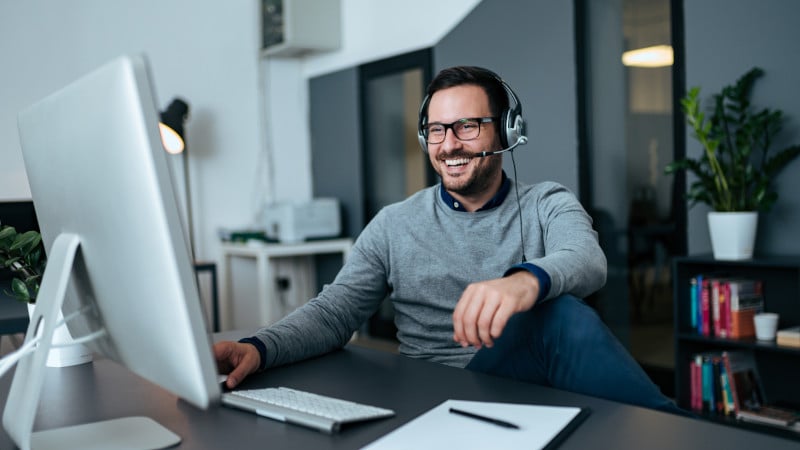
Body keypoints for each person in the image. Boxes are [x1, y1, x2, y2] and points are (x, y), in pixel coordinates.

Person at [214, 66, 682, 414]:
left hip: (528, 388)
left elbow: (587, 259)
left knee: (555, 314)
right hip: (433, 394)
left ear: (507, 131)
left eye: (467, 126)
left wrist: (524, 282)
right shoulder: (394, 223)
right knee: (555, 316)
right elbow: (336, 312)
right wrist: (259, 347)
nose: (449, 144)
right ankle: (680, 430)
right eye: (436, 130)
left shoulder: (547, 202)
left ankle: (676, 432)